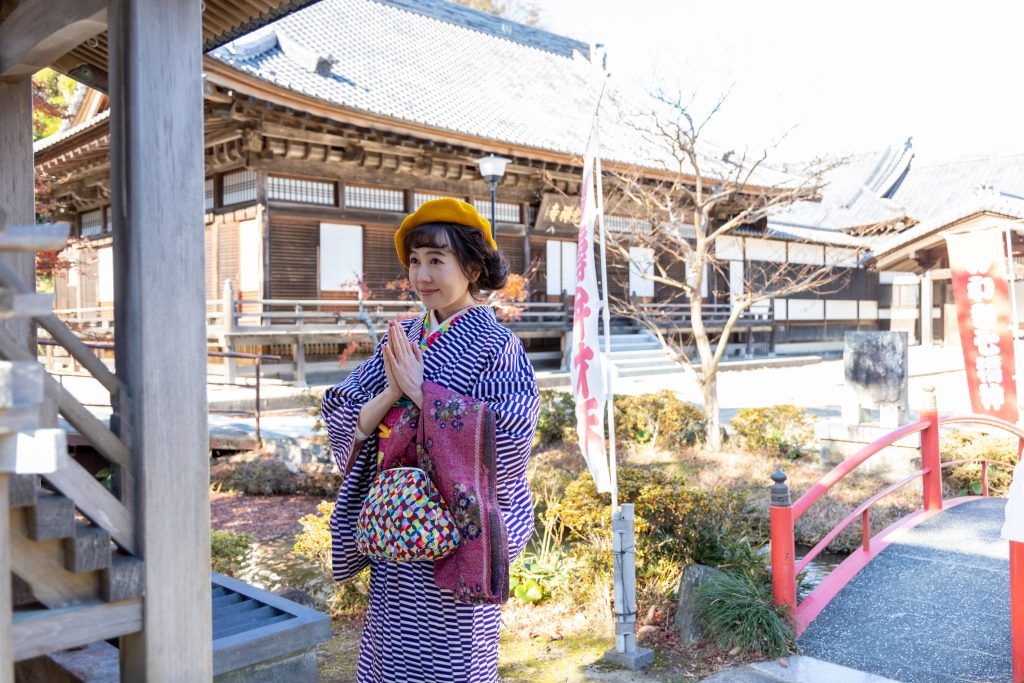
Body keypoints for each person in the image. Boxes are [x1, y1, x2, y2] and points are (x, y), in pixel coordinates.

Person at [322, 198, 540, 683]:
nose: (422, 275)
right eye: (415, 261)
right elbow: (341, 408)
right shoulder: (402, 337)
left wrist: (424, 395)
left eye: (437, 261)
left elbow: (510, 433)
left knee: (454, 662)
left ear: (472, 265)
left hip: (458, 535)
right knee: (389, 659)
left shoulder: (496, 345)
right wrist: (391, 394)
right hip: (396, 529)